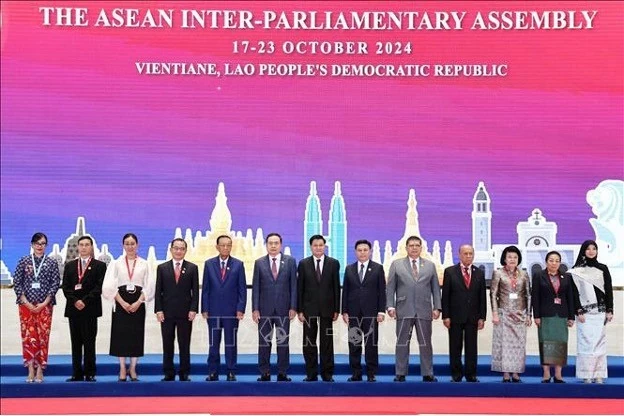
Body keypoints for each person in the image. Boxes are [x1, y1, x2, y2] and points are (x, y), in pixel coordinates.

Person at [386, 236, 440, 382]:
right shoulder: (396, 265)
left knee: (426, 343)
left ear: (421, 248)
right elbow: (390, 288)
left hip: (424, 309)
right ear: (406, 247)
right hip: (403, 309)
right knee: (402, 342)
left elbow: (435, 288)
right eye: (411, 245)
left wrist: (437, 308)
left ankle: (428, 373)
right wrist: (390, 306)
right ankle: (400, 373)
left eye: (417, 245)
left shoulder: (430, 265)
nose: (414, 248)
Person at [102, 233, 154, 382]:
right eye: (127, 243)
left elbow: (150, 285)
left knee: (136, 335)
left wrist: (138, 302)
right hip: (121, 301)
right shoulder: (116, 263)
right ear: (123, 245)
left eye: (132, 243)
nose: (130, 246)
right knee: (121, 335)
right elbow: (109, 285)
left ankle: (133, 367)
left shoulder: (145, 263)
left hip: (138, 301)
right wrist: (122, 302)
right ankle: (122, 368)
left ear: (137, 245)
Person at [12, 232, 60, 383]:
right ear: (32, 245)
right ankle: (30, 369)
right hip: (26, 306)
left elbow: (55, 283)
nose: (40, 246)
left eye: (43, 243)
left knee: (42, 337)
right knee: (28, 337)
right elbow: (17, 282)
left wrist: (45, 302)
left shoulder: (51, 262)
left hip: (44, 307)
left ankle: (40, 369)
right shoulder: (24, 261)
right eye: (38, 243)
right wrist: (25, 302)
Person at [252, 233, 297, 382]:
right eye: (270, 243)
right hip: (264, 309)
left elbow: (293, 287)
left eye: (276, 243)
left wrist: (293, 307)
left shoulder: (290, 262)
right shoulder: (259, 263)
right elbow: (256, 287)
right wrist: (255, 309)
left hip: (284, 309)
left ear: (281, 244)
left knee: (283, 342)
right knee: (264, 342)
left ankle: (282, 372)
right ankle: (264, 372)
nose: (273, 245)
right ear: (266, 244)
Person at [201, 235, 246, 381]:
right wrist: (205, 308)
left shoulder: (238, 265)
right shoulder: (209, 264)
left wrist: (240, 308)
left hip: (232, 312)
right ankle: (213, 371)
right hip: (213, 311)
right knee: (213, 343)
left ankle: (231, 371)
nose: (225, 248)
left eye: (228, 245)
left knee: (230, 343)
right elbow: (206, 289)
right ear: (217, 247)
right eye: (223, 245)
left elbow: (242, 289)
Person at [62, 235, 106, 382]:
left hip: (90, 309)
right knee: (75, 343)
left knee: (89, 342)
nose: (84, 247)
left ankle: (90, 373)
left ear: (91, 247)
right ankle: (76, 373)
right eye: (81, 245)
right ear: (78, 247)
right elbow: (66, 288)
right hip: (74, 310)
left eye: (87, 245)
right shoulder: (70, 265)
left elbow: (99, 287)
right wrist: (75, 301)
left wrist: (84, 301)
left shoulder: (100, 266)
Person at [569, 240, 614, 384]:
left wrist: (610, 309)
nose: (591, 251)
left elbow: (608, 290)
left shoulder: (603, 268)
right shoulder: (576, 270)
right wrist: (578, 310)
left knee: (599, 343)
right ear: (583, 251)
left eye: (594, 248)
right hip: (584, 314)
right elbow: (574, 293)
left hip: (600, 313)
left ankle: (599, 374)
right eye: (588, 249)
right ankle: (586, 374)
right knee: (585, 344)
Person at [155, 238, 199, 381]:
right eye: (176, 248)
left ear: (185, 250)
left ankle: (184, 372)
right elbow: (158, 291)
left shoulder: (192, 268)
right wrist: (159, 310)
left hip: (185, 313)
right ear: (171, 249)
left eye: (182, 249)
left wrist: (193, 309)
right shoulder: (162, 268)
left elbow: (195, 292)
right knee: (167, 343)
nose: (179, 251)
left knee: (184, 344)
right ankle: (168, 372)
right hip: (166, 313)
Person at [297, 234, 340, 382]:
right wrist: (300, 310)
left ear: (324, 246)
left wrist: (336, 309)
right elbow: (300, 288)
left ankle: (327, 374)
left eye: (321, 245)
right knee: (309, 342)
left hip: (328, 310)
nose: (318, 248)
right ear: (311, 247)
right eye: (315, 245)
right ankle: (311, 373)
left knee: (327, 342)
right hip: (308, 310)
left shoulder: (333, 263)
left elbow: (336, 287)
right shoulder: (303, 264)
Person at [342, 239, 386, 382]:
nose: (362, 253)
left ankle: (371, 373)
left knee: (371, 343)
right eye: (359, 250)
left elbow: (381, 291)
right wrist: (344, 311)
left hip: (371, 312)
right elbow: (346, 291)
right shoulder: (349, 268)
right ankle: (356, 373)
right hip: (353, 312)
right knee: (354, 343)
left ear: (370, 251)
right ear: (355, 252)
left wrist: (381, 311)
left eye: (365, 250)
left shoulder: (378, 268)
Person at [441, 244, 487, 382]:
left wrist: (482, 317)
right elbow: (446, 296)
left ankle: (471, 374)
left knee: (471, 348)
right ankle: (456, 375)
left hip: (473, 317)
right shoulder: (450, 272)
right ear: (459, 255)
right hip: (455, 317)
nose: (468, 256)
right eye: (465, 253)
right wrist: (446, 315)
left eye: (470, 254)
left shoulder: (479, 273)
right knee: (455, 347)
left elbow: (482, 297)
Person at [531, 250, 578, 383]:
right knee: (545, 343)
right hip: (545, 315)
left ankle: (558, 374)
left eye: (557, 261)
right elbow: (535, 297)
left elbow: (570, 297)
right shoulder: (539, 275)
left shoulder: (566, 277)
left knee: (560, 344)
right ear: (546, 262)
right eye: (551, 260)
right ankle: (546, 373)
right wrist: (536, 315)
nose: (554, 263)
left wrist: (571, 317)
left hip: (561, 315)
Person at [490, 245, 531, 383]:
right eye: (509, 257)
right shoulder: (498, 273)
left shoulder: (524, 274)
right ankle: (506, 373)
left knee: (519, 344)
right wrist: (495, 313)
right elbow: (493, 294)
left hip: (520, 314)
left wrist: (529, 315)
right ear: (504, 259)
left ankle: (516, 372)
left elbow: (528, 295)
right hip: (503, 313)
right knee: (504, 345)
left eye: (515, 257)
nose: (512, 260)